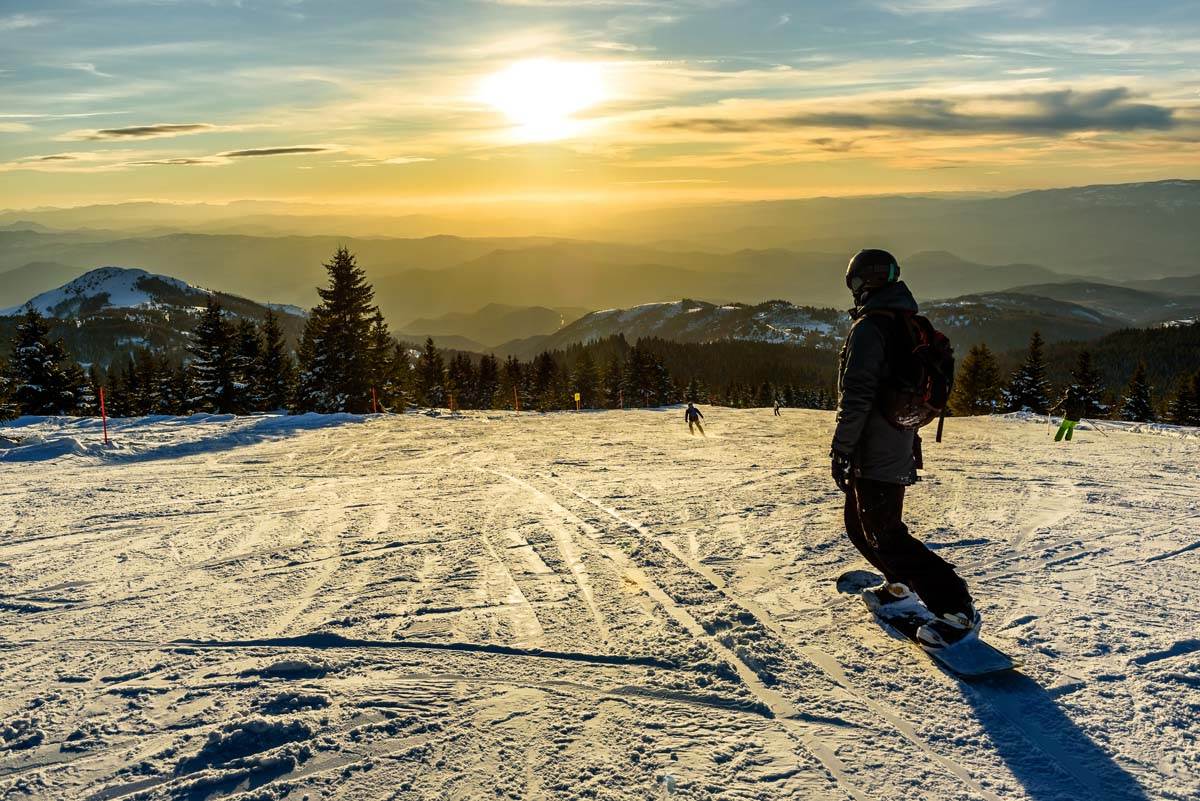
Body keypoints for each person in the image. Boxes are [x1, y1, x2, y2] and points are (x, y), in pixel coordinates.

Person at [830, 249, 978, 648]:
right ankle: (901, 585)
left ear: (862, 283)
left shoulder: (870, 329)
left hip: (878, 447)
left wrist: (841, 448)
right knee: (860, 527)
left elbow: (857, 395)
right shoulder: (907, 324)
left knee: (887, 535)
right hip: (890, 441)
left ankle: (956, 607)